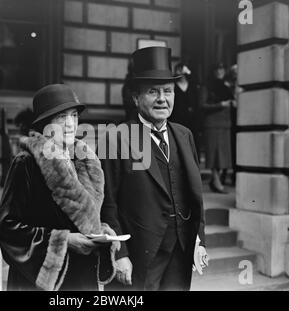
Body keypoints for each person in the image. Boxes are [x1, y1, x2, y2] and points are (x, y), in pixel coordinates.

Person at [100, 47, 208, 291]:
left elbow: (195, 196)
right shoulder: (116, 138)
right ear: (136, 98)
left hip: (180, 251)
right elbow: (107, 204)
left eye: (167, 91)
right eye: (153, 91)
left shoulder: (184, 135)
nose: (162, 98)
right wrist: (119, 253)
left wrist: (198, 240)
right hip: (138, 255)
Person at [0, 84, 119, 291]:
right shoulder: (26, 162)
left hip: (81, 278)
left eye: (74, 116)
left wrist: (102, 233)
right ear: (45, 124)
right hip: (44, 282)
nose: (71, 124)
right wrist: (64, 241)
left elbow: (87, 216)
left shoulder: (84, 162)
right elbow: (7, 227)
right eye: (62, 117)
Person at [202, 63, 234, 193]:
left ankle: (215, 181)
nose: (220, 71)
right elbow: (202, 105)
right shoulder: (206, 86)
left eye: (222, 68)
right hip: (212, 124)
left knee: (222, 156)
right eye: (218, 68)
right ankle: (216, 181)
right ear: (213, 71)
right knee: (214, 155)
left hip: (225, 124)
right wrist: (220, 104)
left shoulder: (225, 86)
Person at [168, 62, 202, 154]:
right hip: (177, 118)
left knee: (192, 142)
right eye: (177, 70)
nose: (179, 72)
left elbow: (197, 104)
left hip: (192, 120)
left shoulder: (192, 85)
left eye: (181, 69)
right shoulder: (173, 86)